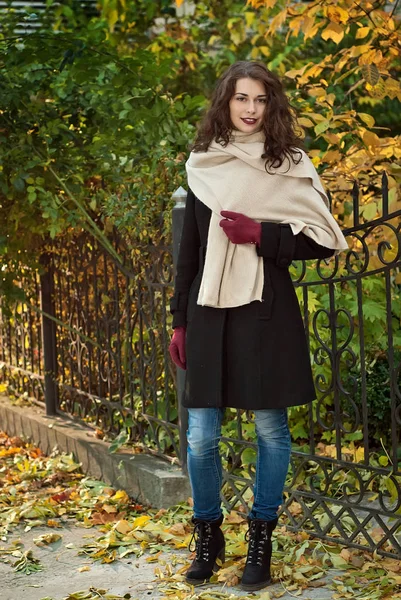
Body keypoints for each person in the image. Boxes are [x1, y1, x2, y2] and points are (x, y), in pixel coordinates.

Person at [168, 61, 348, 591]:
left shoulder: (289, 163)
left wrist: (262, 235)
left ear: (273, 105)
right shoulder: (204, 163)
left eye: (261, 100)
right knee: (201, 437)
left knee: (271, 429)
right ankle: (208, 534)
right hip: (207, 311)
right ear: (225, 102)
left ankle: (261, 541)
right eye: (241, 99)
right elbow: (191, 250)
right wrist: (179, 321)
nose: (250, 110)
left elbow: (320, 239)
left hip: (265, 311)